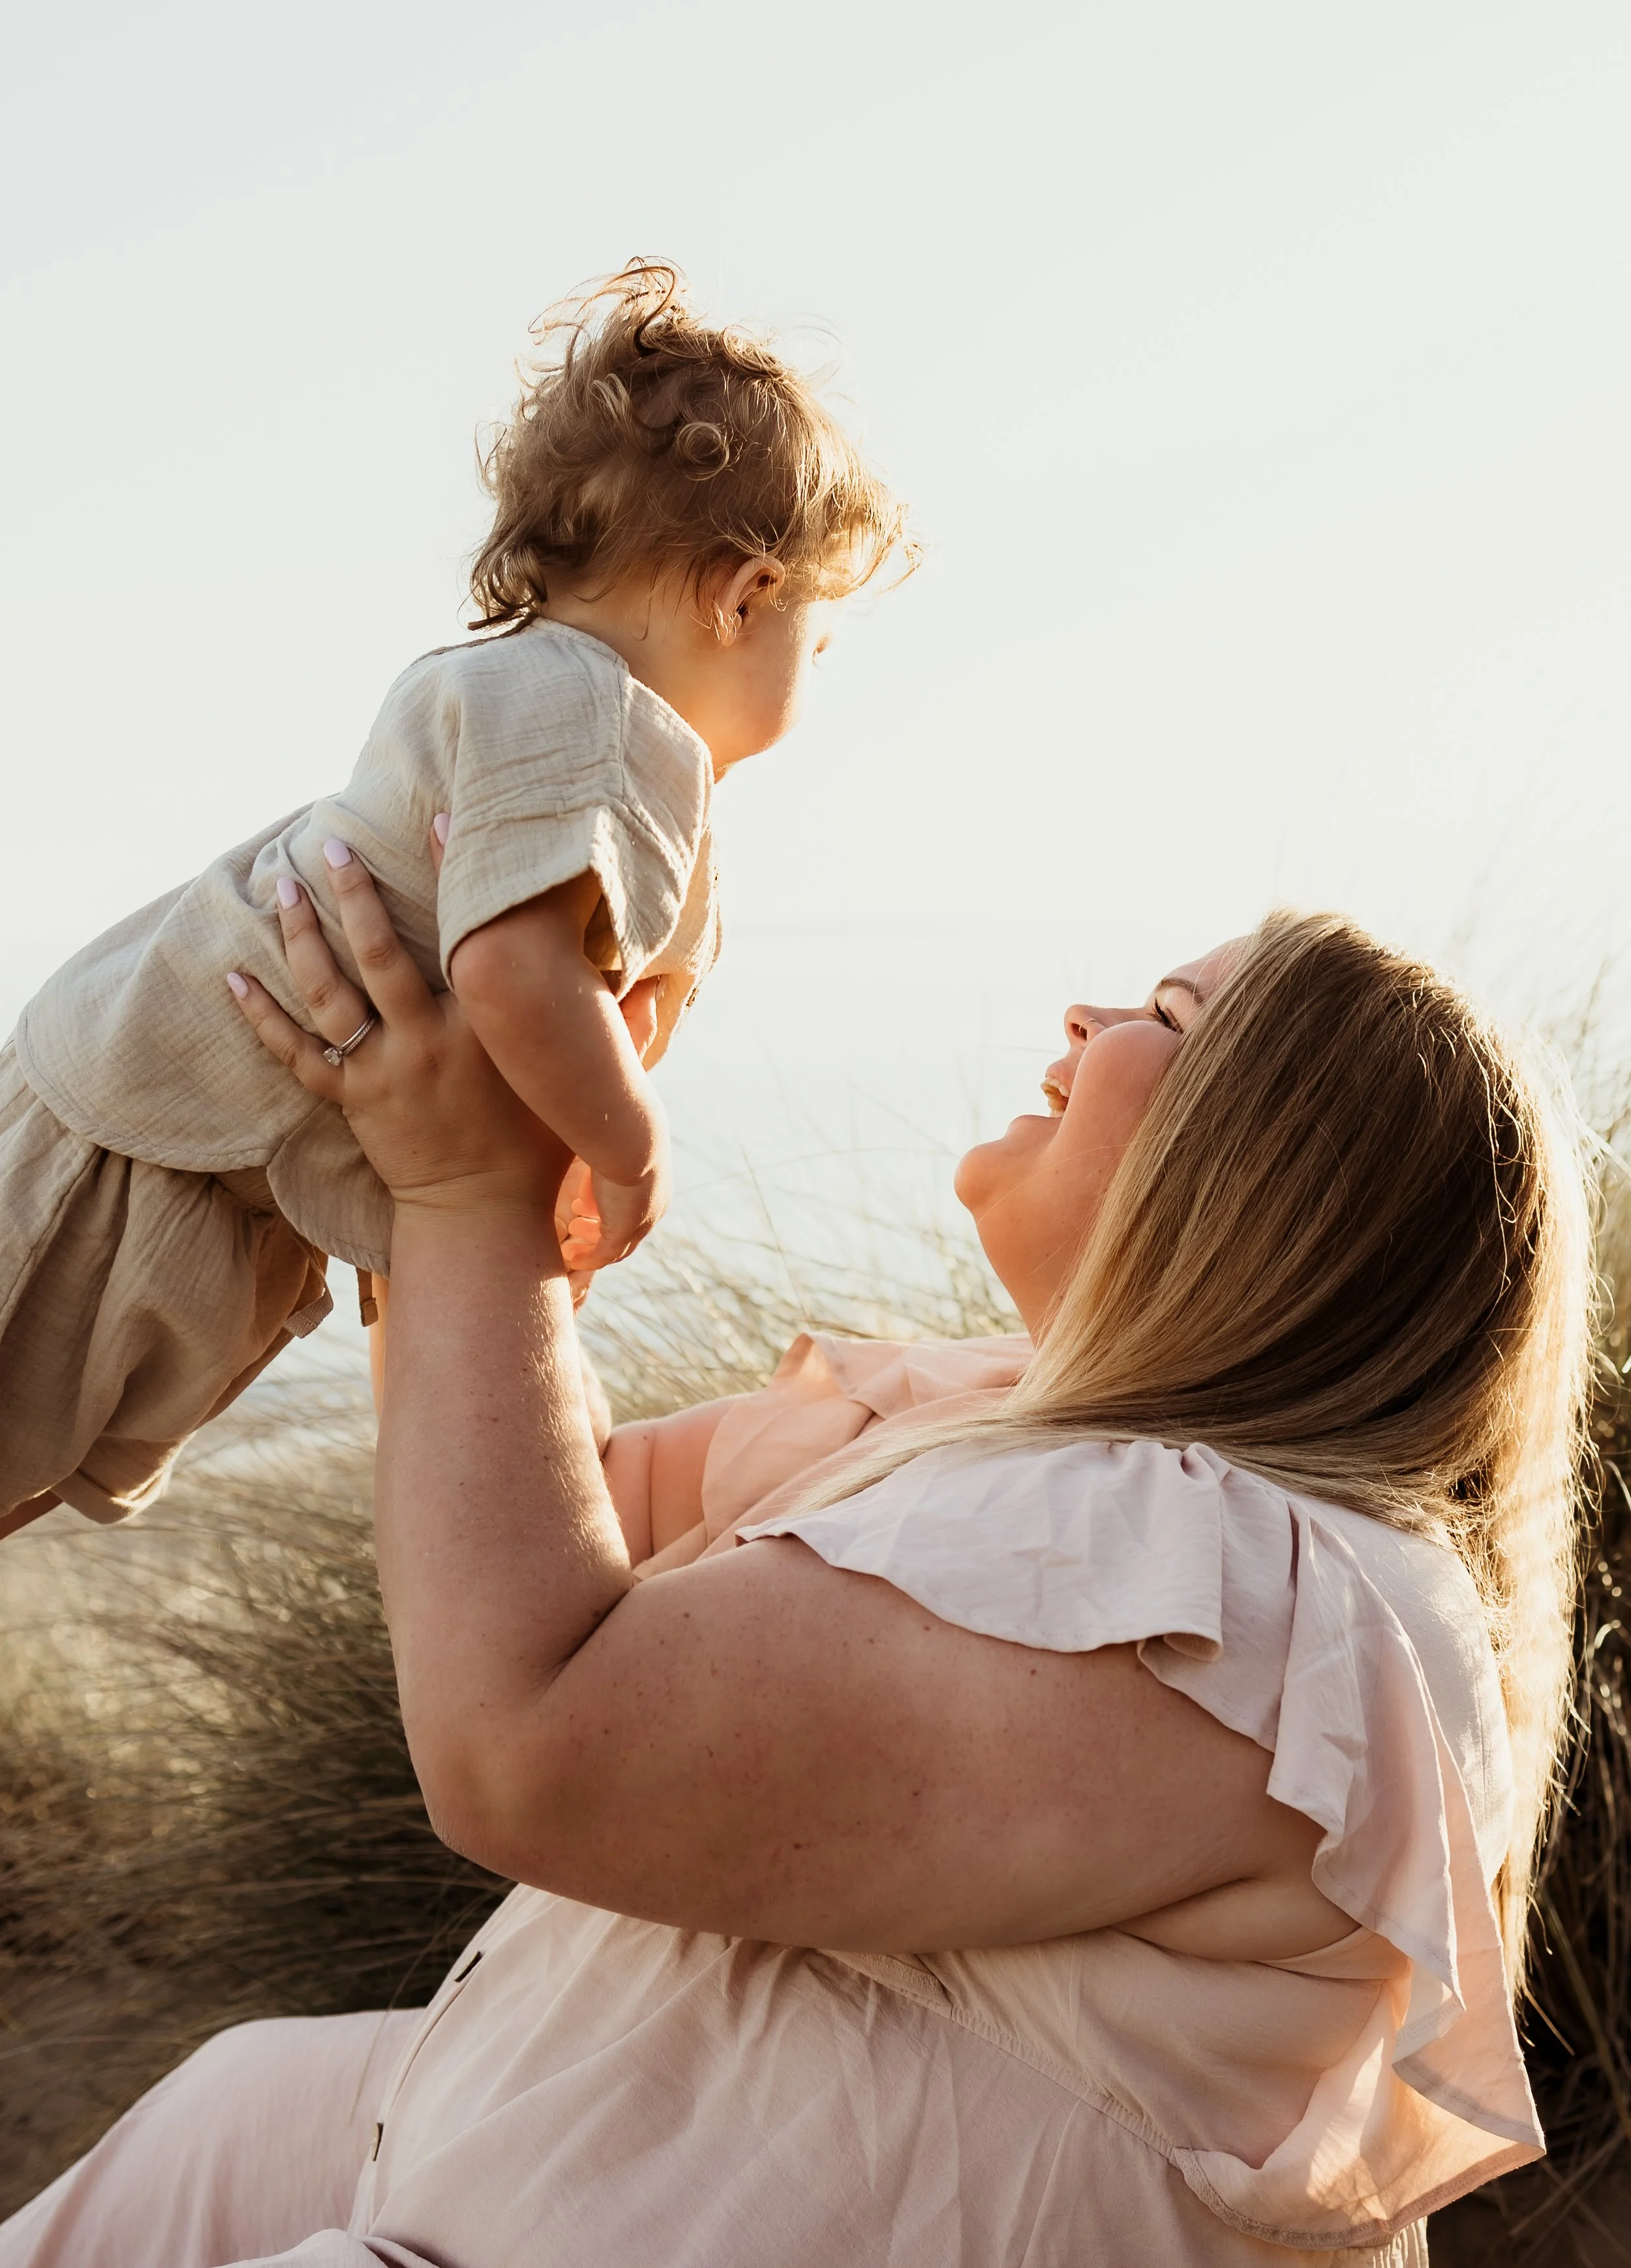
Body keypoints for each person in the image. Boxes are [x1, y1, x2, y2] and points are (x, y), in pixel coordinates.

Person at [0, 861, 1592, 2267]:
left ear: (1271, 1186)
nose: (1086, 1015)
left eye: (1165, 1018)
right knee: (239, 2103)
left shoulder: (1252, 1594)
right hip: (468, 2159)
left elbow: (531, 1736)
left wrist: (464, 1193)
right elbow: (554, 1521)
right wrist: (472, 1148)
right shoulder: (1000, 1423)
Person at [0, 262, 909, 1537]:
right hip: (138, 1151)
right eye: (817, 640)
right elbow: (508, 967)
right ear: (743, 592)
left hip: (199, 1157)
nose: (811, 670)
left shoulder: (539, 697)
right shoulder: (594, 714)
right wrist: (631, 1147)